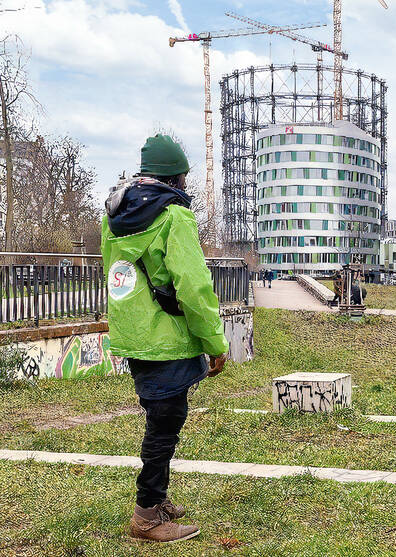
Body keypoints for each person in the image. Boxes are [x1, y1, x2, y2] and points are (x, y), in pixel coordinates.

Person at [102, 134, 229, 543]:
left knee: (161, 419)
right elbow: (193, 286)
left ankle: (156, 501)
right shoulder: (174, 216)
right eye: (185, 179)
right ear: (176, 178)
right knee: (165, 425)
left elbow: (120, 275)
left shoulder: (113, 217)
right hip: (166, 340)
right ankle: (147, 515)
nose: (186, 187)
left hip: (134, 336)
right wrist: (215, 342)